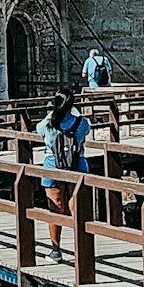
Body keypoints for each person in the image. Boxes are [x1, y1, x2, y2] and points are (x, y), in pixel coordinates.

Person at [38, 89, 91, 254]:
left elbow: (39, 131)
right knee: (77, 208)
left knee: (55, 207)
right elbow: (86, 132)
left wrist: (51, 114)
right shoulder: (81, 123)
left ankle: (56, 250)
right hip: (77, 165)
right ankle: (82, 249)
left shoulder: (47, 124)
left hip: (53, 166)